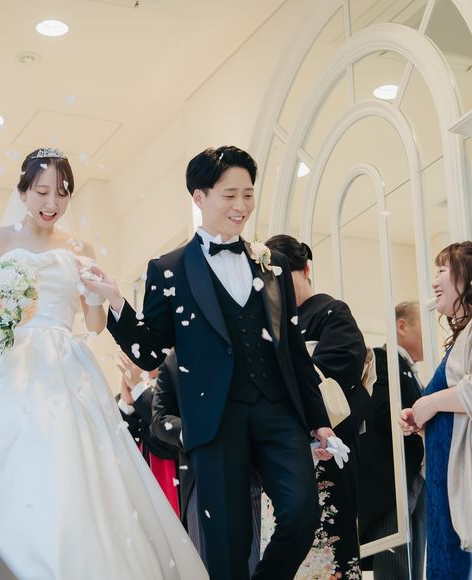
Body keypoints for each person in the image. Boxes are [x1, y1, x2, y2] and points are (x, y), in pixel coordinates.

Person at [0, 148, 207, 580]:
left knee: (72, 465)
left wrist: (97, 296)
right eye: (42, 191)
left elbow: (94, 324)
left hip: (65, 366)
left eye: (62, 193)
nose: (52, 203)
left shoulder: (80, 249)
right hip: (6, 363)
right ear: (22, 192)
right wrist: (3, 312)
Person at [84, 145, 336, 580]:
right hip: (215, 422)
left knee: (302, 513)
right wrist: (117, 303)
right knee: (227, 546)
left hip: (278, 412)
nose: (241, 206)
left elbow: (293, 350)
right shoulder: (169, 269)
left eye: (248, 195)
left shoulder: (273, 264)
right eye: (229, 195)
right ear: (199, 197)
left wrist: (319, 421)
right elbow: (150, 351)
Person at [266, 234, 369, 578]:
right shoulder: (273, 324)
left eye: (285, 275)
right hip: (287, 450)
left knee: (332, 544)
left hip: (327, 445)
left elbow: (341, 369)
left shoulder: (332, 312)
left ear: (306, 270)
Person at [151, 349, 263, 577]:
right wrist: (194, 433)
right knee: (208, 564)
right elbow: (159, 418)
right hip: (199, 476)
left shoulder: (237, 348)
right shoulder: (173, 359)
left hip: (249, 469)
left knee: (254, 560)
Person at [399, 241, 472, 579]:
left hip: (457, 478)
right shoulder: (462, 338)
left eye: (443, 270)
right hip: (443, 477)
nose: (434, 281)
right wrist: (421, 418)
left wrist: (428, 404)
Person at [358, 301, 426, 580]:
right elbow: (382, 412)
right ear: (402, 325)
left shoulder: (409, 371)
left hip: (415, 478)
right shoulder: (382, 360)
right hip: (390, 483)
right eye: (423, 323)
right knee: (395, 566)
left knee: (413, 565)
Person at [116, 353, 181, 516]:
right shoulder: (124, 397)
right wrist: (128, 405)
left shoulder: (177, 383)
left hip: (174, 486)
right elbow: (117, 449)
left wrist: (141, 392)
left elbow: (168, 439)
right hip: (140, 492)